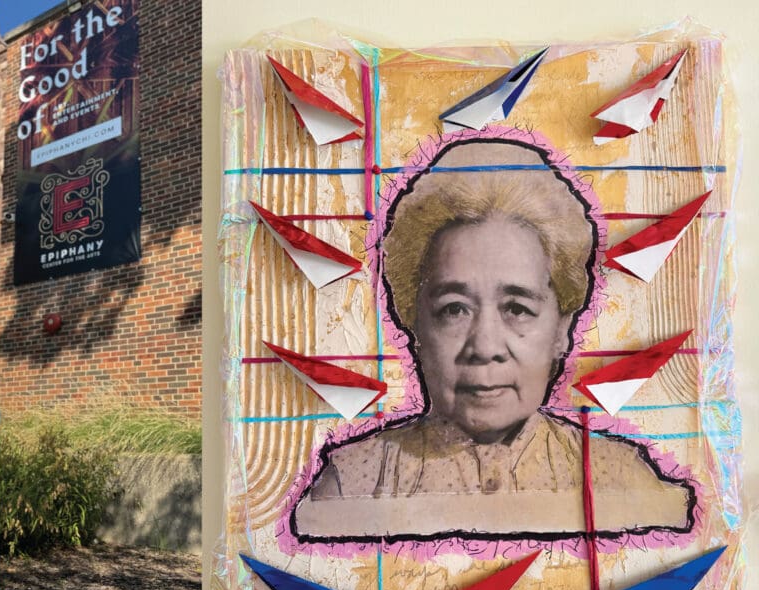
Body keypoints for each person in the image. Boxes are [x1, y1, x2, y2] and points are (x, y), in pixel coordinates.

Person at [292, 138, 695, 541]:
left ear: (562, 330)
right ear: (414, 325)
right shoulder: (352, 483)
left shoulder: (622, 478)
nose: (484, 348)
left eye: (517, 309)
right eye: (454, 309)